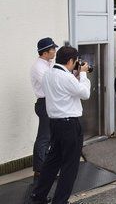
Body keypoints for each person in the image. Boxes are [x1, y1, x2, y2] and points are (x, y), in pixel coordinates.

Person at [31, 46, 91, 204]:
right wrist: (83, 74)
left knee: (52, 163)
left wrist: (75, 75)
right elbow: (85, 93)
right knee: (69, 167)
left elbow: (64, 89)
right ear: (71, 61)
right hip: (70, 125)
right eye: (76, 61)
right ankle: (60, 201)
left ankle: (38, 197)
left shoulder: (48, 74)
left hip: (55, 124)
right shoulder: (66, 78)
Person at [30, 38, 58, 180]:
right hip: (44, 103)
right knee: (44, 137)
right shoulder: (38, 67)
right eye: (53, 49)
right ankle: (39, 171)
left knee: (51, 136)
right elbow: (49, 84)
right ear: (46, 52)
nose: (55, 51)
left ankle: (45, 167)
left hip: (50, 102)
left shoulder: (49, 63)